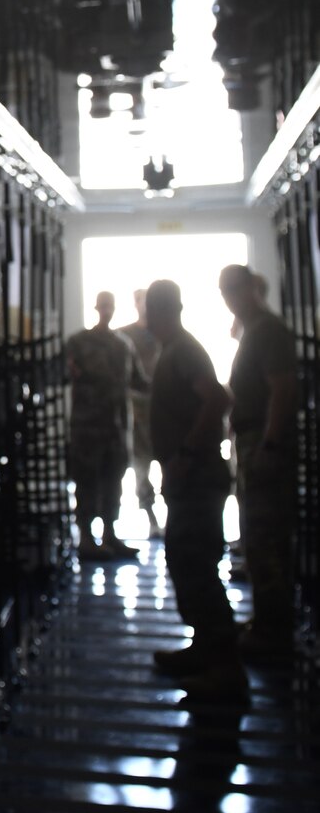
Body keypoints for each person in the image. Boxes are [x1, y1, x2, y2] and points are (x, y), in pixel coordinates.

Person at [146, 279, 247, 701]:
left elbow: (217, 399)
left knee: (197, 566)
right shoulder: (174, 350)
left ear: (158, 312)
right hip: (191, 478)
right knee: (186, 563)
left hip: (198, 477)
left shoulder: (184, 351)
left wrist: (186, 453)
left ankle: (226, 670)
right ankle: (206, 651)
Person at [219, 264, 298, 661]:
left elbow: (281, 390)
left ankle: (274, 630)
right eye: (225, 292)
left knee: (266, 539)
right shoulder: (253, 332)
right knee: (256, 535)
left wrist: (269, 443)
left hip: (264, 446)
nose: (230, 298)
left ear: (252, 287)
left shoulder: (267, 330)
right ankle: (267, 620)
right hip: (252, 442)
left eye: (235, 289)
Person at [65, 290, 137, 559]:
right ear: (96, 307)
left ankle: (110, 533)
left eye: (110, 305)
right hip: (87, 427)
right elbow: (66, 373)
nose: (107, 310)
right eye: (103, 305)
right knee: (86, 481)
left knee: (113, 482)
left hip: (116, 427)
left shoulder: (123, 345)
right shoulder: (79, 342)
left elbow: (137, 380)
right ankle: (85, 537)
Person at [118, 286, 162, 538]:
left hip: (164, 409)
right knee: (141, 468)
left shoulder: (164, 333)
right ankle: (151, 518)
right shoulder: (125, 336)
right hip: (138, 413)